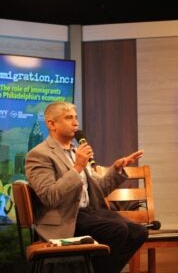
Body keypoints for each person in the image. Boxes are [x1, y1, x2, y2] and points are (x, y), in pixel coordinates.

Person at [25, 101, 148, 273]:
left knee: (138, 232)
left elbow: (100, 190)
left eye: (76, 118)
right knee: (118, 230)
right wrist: (77, 168)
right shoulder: (39, 154)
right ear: (51, 124)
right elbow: (49, 196)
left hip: (89, 213)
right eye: (69, 118)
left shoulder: (77, 152)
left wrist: (116, 169)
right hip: (67, 217)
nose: (76, 123)